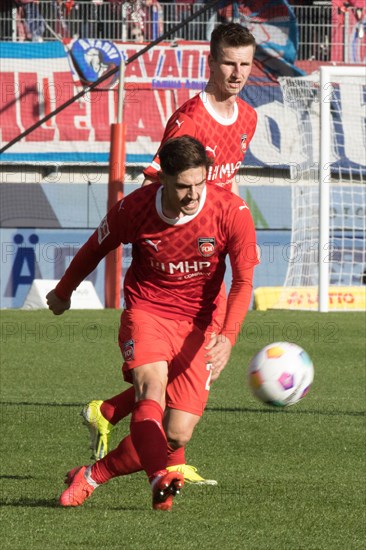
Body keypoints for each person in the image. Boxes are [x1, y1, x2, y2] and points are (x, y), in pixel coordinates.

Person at [81, 22, 258, 486]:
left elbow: (225, 185)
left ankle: (110, 413)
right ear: (211, 63)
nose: (237, 73)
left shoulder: (248, 118)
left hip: (212, 252)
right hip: (180, 258)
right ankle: (165, 466)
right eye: (228, 63)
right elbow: (154, 184)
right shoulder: (188, 120)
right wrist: (160, 242)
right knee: (187, 371)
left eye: (245, 64)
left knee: (192, 368)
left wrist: (232, 229)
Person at [47, 135, 259, 511]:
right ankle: (159, 477)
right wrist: (63, 292)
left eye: (199, 183)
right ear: (162, 179)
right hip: (149, 310)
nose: (193, 195)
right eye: (182, 186)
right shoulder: (135, 209)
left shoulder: (232, 212)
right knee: (151, 390)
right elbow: (95, 247)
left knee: (176, 433)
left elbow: (243, 281)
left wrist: (228, 337)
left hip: (204, 323)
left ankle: (92, 475)